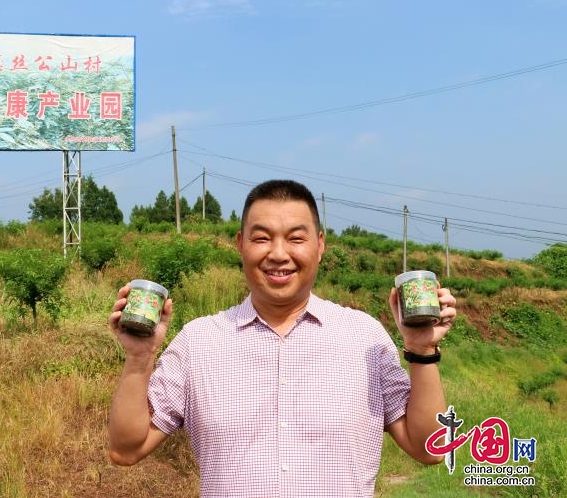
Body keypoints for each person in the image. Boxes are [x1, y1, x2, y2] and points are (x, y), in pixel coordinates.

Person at [107, 179, 457, 498]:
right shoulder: (199, 341)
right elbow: (125, 450)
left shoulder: (363, 336)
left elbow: (430, 449)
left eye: (295, 238)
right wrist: (139, 358)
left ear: (319, 245)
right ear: (240, 244)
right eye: (261, 238)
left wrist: (422, 349)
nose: (278, 253)